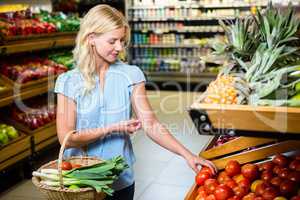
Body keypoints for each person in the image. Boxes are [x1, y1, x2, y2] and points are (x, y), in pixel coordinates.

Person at [54, 4, 217, 200]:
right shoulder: (68, 81)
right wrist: (112, 128)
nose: (119, 48)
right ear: (91, 39)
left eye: (122, 41)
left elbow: (151, 124)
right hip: (80, 181)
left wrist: (187, 155)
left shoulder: (131, 75)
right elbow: (66, 137)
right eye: (112, 41)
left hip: (120, 180)